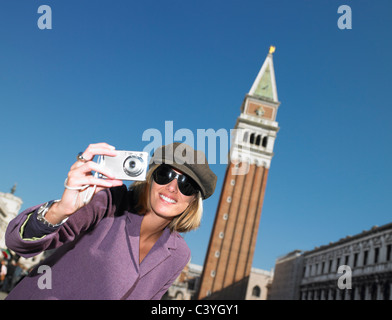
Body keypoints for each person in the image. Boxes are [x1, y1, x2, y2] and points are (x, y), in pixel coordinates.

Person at [5, 142, 217, 300]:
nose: (172, 187)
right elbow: (19, 243)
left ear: (192, 202)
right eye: (165, 174)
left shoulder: (179, 254)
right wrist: (60, 210)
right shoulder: (110, 201)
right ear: (150, 177)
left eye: (186, 185)